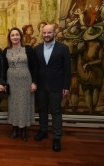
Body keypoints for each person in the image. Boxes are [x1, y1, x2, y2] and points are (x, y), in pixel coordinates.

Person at [34, 24, 71, 152]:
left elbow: (67, 69)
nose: (46, 35)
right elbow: (35, 68)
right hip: (41, 86)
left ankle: (56, 138)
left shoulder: (63, 48)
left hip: (57, 85)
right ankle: (43, 131)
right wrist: (34, 82)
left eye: (49, 33)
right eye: (44, 33)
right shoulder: (37, 49)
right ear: (41, 34)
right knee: (42, 110)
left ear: (54, 33)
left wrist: (66, 86)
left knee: (56, 111)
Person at [3, 27, 37, 142]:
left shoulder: (28, 49)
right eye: (12, 35)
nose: (15, 37)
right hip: (11, 82)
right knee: (13, 104)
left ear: (20, 36)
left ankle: (23, 129)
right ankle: (15, 128)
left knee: (24, 104)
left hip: (26, 81)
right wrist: (3, 82)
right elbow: (3, 68)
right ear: (9, 37)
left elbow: (34, 66)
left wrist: (34, 82)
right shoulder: (6, 50)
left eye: (17, 35)